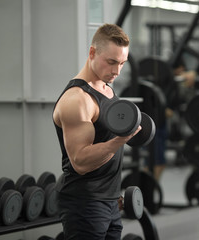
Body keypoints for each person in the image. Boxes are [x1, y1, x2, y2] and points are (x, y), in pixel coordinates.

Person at [52, 23, 141, 240]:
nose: (117, 71)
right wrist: (120, 140)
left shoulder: (107, 89)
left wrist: (112, 195)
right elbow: (80, 162)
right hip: (84, 203)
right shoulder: (77, 99)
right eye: (111, 62)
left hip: (109, 200)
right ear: (92, 52)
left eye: (122, 63)